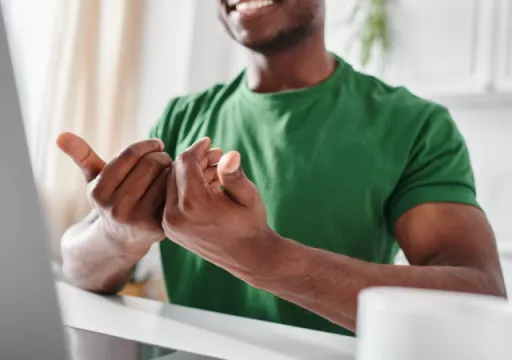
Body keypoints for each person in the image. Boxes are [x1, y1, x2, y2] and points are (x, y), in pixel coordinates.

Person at [56, 0, 507, 336]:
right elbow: (78, 267)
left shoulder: (413, 125)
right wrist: (116, 235)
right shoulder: (180, 119)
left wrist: (261, 257)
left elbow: (477, 299)